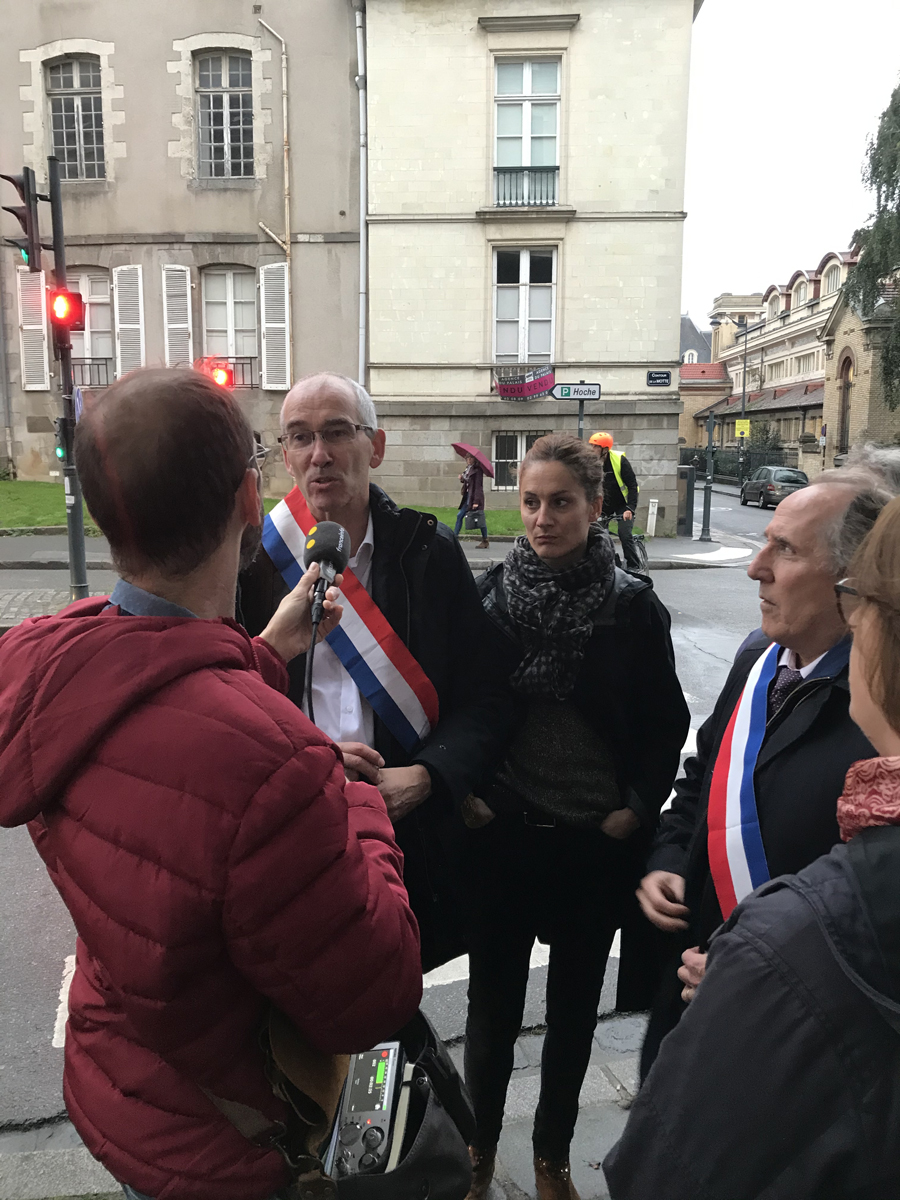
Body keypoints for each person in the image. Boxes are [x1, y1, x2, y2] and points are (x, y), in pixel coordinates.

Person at [0, 369, 422, 1200]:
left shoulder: (48, 662)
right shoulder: (278, 770)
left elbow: (159, 708)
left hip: (129, 1086)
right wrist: (355, 801)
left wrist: (262, 655)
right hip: (232, 1138)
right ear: (247, 497)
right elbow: (374, 996)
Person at [604, 494, 900, 1200]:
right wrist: (668, 858)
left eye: (786, 551)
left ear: (853, 583)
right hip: (704, 992)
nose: (754, 569)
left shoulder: (879, 705)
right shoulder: (757, 660)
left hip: (803, 1046)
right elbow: (704, 775)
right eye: (762, 543)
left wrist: (772, 971)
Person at [462, 434, 690, 1200]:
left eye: (561, 502)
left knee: (571, 1020)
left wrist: (634, 808)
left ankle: (551, 1156)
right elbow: (462, 706)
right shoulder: (491, 599)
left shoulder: (629, 608)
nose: (543, 518)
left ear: (595, 507)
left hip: (595, 847)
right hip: (506, 840)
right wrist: (472, 793)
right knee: (490, 1017)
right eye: (531, 501)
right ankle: (475, 1149)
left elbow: (665, 723)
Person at [239, 372, 512, 971]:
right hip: (291, 827)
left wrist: (430, 775)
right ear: (284, 456)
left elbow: (486, 697)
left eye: (338, 431)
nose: (320, 454)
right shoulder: (250, 560)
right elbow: (219, 703)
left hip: (404, 832)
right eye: (301, 437)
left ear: (376, 447)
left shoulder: (429, 553)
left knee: (390, 999)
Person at [587, 431, 641, 571]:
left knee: (624, 533)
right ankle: (605, 563)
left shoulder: (619, 460)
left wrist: (630, 508)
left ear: (604, 449)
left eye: (595, 446)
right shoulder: (590, 463)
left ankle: (633, 565)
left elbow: (632, 485)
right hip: (603, 505)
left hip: (623, 504)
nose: (591, 449)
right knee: (596, 534)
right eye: (591, 446)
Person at [455, 453, 489, 549]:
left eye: (471, 458)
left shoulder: (477, 470)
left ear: (475, 459)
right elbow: (468, 482)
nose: (469, 460)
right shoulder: (468, 469)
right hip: (468, 497)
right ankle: (454, 538)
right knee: (460, 516)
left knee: (479, 518)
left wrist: (476, 501)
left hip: (474, 497)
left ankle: (485, 540)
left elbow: (478, 487)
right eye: (467, 458)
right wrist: (462, 479)